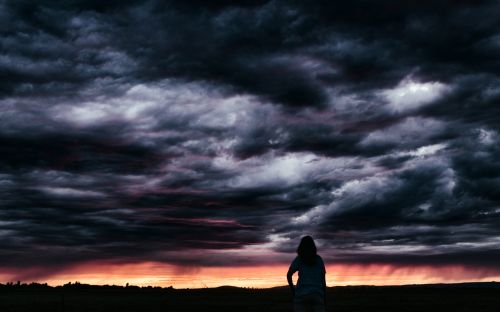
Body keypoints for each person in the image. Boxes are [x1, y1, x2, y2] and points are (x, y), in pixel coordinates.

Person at [287, 236, 326, 312]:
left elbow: (289, 275)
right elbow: (323, 280)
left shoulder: (299, 259)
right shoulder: (319, 259)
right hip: (317, 294)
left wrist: (293, 290)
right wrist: (324, 298)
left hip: (301, 294)